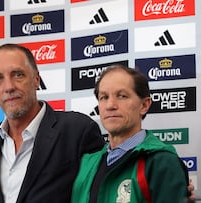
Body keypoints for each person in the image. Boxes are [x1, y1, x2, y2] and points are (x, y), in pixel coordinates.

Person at [0, 43, 106, 203]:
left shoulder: (77, 130)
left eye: (18, 75)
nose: (9, 87)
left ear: (36, 80)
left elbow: (100, 194)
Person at [71, 64, 190, 203]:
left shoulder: (162, 162)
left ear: (144, 105)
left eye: (122, 96)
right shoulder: (87, 163)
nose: (110, 105)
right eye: (104, 97)